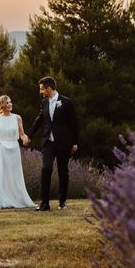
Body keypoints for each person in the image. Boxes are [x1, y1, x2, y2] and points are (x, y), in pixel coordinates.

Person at [25, 76, 79, 211]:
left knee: (63, 171)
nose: (40, 92)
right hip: (48, 142)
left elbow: (74, 124)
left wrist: (75, 143)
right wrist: (28, 135)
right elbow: (40, 120)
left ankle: (62, 201)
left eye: (42, 89)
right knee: (46, 169)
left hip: (63, 142)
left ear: (49, 88)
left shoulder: (66, 102)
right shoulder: (44, 103)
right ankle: (45, 204)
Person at [0, 95, 37, 209]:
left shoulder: (17, 118)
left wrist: (25, 138)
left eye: (10, 102)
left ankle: (20, 200)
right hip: (1, 148)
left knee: (15, 175)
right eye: (7, 103)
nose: (10, 104)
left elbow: (21, 133)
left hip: (14, 149)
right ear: (1, 105)